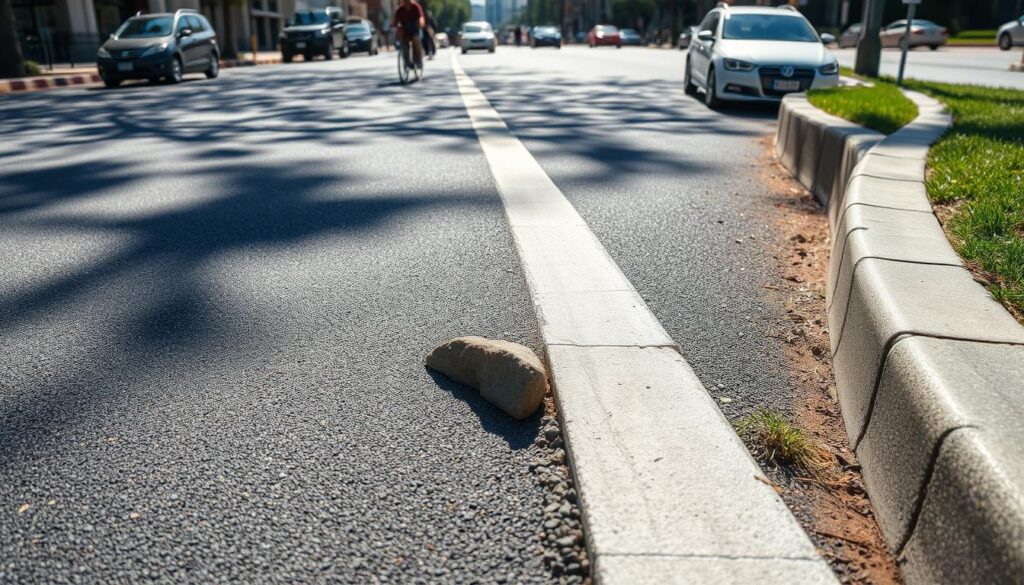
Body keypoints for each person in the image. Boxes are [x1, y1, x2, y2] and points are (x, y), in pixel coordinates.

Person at [392, 0, 425, 67]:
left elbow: (421, 17)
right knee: (403, 44)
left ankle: (419, 59)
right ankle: (407, 61)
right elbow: (395, 21)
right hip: (405, 29)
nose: (406, 2)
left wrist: (421, 22)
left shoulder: (415, 7)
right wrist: (394, 25)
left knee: (416, 40)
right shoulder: (400, 10)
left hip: (414, 28)